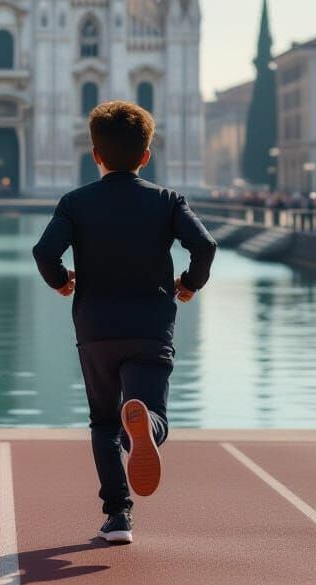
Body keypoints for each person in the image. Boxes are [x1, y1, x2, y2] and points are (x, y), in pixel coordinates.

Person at [32, 100, 217, 546]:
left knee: (102, 423)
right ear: (146, 155)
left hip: (96, 329)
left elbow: (43, 253)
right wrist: (189, 283)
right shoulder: (168, 201)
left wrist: (61, 282)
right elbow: (205, 246)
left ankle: (118, 515)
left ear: (95, 154)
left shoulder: (75, 203)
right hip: (151, 326)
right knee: (152, 413)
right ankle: (147, 427)